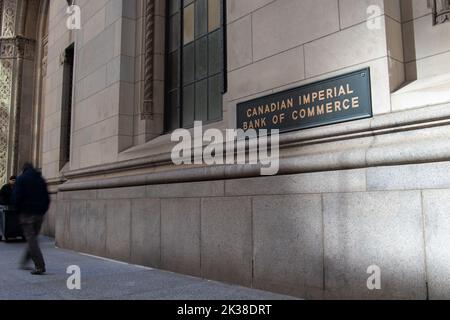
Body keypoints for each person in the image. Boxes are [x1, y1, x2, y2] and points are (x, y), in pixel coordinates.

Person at [12, 163, 50, 275]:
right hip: (39, 214)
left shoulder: (21, 179)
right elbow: (47, 198)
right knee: (32, 238)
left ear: (23, 170)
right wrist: (42, 211)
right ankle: (24, 261)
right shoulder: (41, 179)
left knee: (31, 239)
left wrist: (19, 211)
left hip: (27, 214)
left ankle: (40, 265)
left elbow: (16, 197)